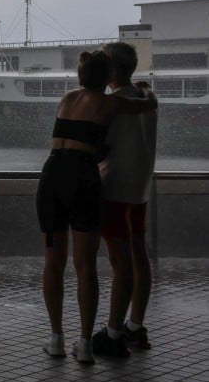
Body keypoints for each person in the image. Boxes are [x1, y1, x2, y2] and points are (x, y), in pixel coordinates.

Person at [37, 50, 157, 364]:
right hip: (83, 179)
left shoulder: (66, 98)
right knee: (86, 266)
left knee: (53, 262)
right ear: (106, 77)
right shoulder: (109, 103)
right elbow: (149, 104)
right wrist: (145, 89)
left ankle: (56, 339)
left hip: (51, 177)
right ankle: (86, 344)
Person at [91, 42, 157, 357]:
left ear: (112, 70)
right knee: (139, 258)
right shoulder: (146, 100)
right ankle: (135, 326)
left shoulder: (110, 104)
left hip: (114, 191)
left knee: (120, 263)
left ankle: (114, 333)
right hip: (140, 191)